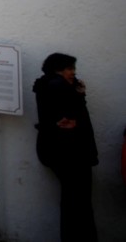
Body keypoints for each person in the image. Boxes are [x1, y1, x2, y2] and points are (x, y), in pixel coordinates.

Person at [33, 52, 98, 242]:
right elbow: (71, 117)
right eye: (69, 68)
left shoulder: (48, 84)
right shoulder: (58, 85)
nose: (73, 72)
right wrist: (78, 102)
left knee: (73, 201)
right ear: (58, 69)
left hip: (60, 150)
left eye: (73, 68)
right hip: (71, 152)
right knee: (78, 202)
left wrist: (78, 95)